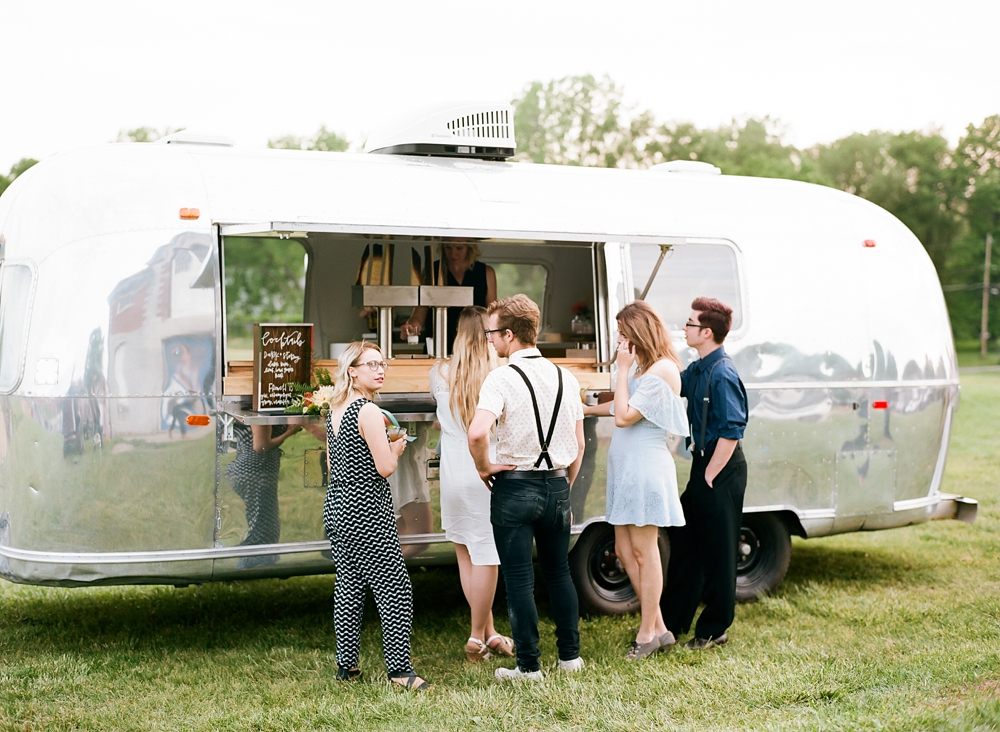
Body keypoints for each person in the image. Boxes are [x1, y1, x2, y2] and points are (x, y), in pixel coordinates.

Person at [467, 294, 586, 682]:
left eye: (491, 334)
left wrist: (485, 467)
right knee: (559, 573)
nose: (489, 341)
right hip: (556, 485)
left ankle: (529, 667)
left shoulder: (500, 378)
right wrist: (563, 484)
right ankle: (570, 658)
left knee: (519, 578)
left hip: (515, 488)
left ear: (508, 334)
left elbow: (477, 432)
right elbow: (579, 443)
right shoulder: (566, 377)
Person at [583, 301, 689, 660]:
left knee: (645, 551)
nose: (619, 341)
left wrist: (622, 369)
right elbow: (619, 405)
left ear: (639, 331)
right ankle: (659, 626)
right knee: (625, 550)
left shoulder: (663, 370)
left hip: (646, 466)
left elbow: (626, 416)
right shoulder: (644, 366)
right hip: (625, 467)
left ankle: (647, 634)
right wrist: (584, 409)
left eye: (623, 333)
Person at [323, 341, 429, 689]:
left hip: (337, 506)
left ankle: (347, 668)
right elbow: (384, 467)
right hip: (366, 508)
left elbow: (331, 462)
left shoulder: (334, 409)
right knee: (394, 587)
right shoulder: (367, 411)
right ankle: (400, 672)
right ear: (352, 371)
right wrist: (395, 448)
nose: (379, 370)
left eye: (382, 364)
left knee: (349, 587)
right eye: (370, 365)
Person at [661, 297, 748, 650]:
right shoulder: (699, 367)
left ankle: (715, 630)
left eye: (690, 323)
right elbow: (674, 386)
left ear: (706, 332)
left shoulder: (723, 373)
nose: (684, 328)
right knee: (685, 542)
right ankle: (673, 622)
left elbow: (731, 431)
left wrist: (710, 475)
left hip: (721, 468)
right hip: (704, 465)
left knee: (720, 550)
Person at [428, 306, 515, 663]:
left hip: (453, 471)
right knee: (487, 557)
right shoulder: (501, 372)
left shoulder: (439, 371)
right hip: (485, 468)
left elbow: (440, 419)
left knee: (466, 553)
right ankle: (477, 637)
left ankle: (489, 631)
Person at [226, 421, 302, 568]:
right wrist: (288, 433)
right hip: (256, 470)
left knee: (263, 518)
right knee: (261, 521)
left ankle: (264, 562)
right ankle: (246, 562)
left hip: (252, 469)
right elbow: (261, 446)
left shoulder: (249, 411)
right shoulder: (260, 413)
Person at [401, 239, 498, 353]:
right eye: (448, 248)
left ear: (469, 247)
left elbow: (491, 316)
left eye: (459, 248)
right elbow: (419, 316)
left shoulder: (486, 272)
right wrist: (411, 328)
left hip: (475, 347)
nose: (453, 253)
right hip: (438, 347)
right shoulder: (431, 271)